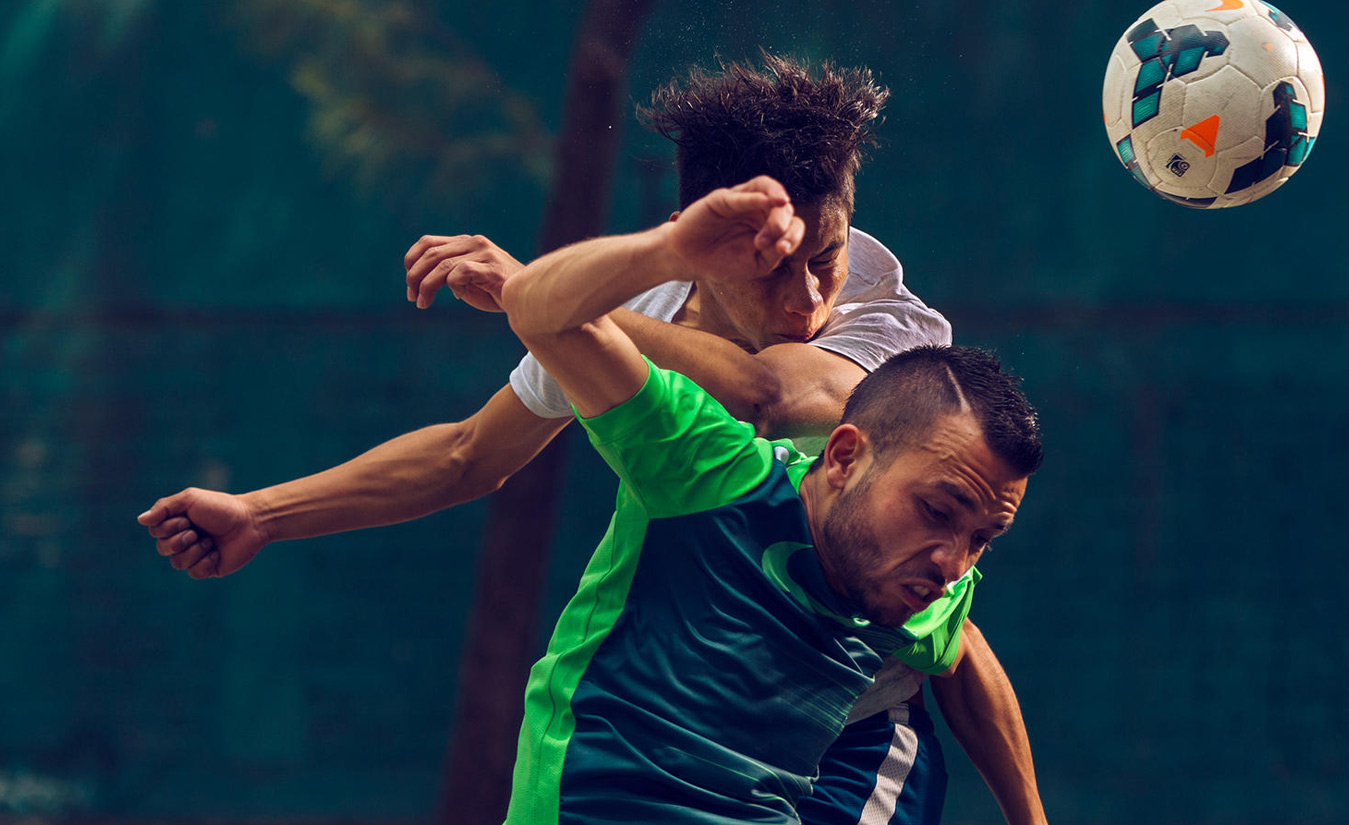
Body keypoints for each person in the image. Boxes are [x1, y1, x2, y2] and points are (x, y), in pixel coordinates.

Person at [139, 54, 1046, 824]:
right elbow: (468, 455)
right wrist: (262, 512)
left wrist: (541, 300)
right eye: (777, 268)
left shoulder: (891, 327)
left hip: (852, 730)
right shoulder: (642, 302)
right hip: (684, 731)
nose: (809, 298)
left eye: (827, 257)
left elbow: (772, 396)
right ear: (706, 240)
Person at [469, 173, 1044, 823]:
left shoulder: (909, 555)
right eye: (937, 512)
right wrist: (647, 261)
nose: (953, 564)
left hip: (840, 760)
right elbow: (470, 445)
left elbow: (958, 647)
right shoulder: (706, 466)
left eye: (981, 539)